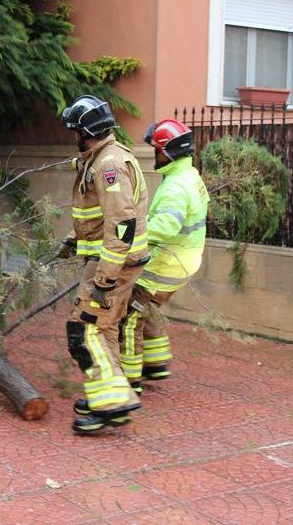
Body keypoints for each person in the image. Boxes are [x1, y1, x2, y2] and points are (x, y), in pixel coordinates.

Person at [57, 95, 150, 434]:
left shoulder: (108, 166)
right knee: (105, 327)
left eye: (75, 131)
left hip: (113, 265)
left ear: (85, 132)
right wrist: (73, 239)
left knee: (84, 328)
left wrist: (104, 279)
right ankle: (113, 397)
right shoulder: (102, 158)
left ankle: (111, 404)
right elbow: (98, 216)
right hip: (114, 260)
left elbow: (122, 224)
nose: (73, 137)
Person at [119, 119, 209, 388]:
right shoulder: (190, 176)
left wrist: (130, 236)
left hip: (165, 264)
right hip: (185, 260)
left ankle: (128, 381)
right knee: (148, 308)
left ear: (168, 153)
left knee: (131, 315)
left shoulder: (175, 186)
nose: (155, 155)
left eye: (157, 150)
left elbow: (167, 226)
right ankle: (156, 365)